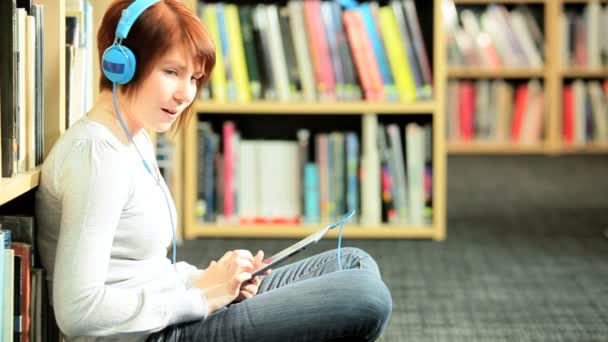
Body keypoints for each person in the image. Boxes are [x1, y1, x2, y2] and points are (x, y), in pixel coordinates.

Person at [35, 0, 393, 341]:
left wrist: (210, 280)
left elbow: (143, 270)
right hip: (155, 335)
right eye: (172, 72)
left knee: (353, 261)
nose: (185, 94)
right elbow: (78, 310)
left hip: (176, 308)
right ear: (121, 63)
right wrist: (203, 298)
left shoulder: (134, 136)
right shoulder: (98, 156)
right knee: (364, 296)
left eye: (194, 78)